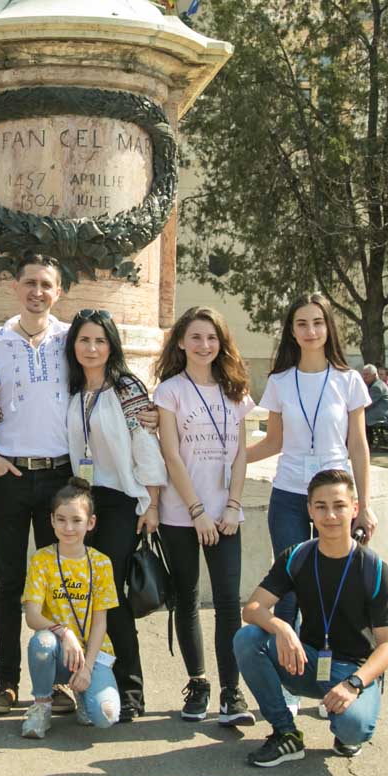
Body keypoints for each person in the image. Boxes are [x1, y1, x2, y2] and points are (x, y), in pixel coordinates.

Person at [234, 468, 388, 766]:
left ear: (355, 509)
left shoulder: (373, 569)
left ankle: (345, 724)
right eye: (321, 506)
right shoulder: (297, 556)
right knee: (248, 638)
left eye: (339, 506)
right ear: (309, 510)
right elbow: (252, 608)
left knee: (354, 728)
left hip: (353, 670)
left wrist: (353, 684)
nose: (330, 515)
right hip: (306, 661)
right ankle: (286, 734)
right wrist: (282, 627)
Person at [245, 293, 375, 631]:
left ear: (328, 328)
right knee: (289, 588)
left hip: (335, 498)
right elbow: (274, 441)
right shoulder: (280, 381)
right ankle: (286, 659)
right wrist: (231, 461)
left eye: (317, 323)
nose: (311, 331)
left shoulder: (348, 380)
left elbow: (358, 446)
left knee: (334, 583)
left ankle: (334, 656)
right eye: (302, 324)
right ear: (292, 331)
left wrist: (364, 506)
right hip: (289, 495)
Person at [0, 255, 72, 716]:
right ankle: (6, 680)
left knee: (58, 583)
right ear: (14, 288)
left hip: (59, 476)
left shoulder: (72, 339)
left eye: (46, 285)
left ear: (59, 292)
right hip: (10, 475)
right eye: (30, 283)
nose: (38, 291)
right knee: (9, 583)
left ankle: (59, 683)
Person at [153, 306, 255, 727]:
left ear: (221, 343)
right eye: (195, 337)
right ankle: (198, 684)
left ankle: (232, 691)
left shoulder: (235, 392)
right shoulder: (170, 391)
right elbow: (171, 454)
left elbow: (241, 454)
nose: (204, 345)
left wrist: (233, 505)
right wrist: (196, 510)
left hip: (225, 516)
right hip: (182, 513)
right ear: (181, 342)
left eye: (212, 337)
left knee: (229, 602)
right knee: (187, 599)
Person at [62, 308, 165, 723]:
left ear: (111, 346)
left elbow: (146, 445)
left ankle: (131, 690)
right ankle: (89, 684)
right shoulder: (73, 388)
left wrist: (151, 503)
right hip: (84, 504)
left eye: (100, 341)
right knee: (85, 596)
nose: (91, 348)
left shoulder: (126, 387)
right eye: (84, 340)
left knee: (112, 596)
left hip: (122, 500)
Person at [19, 479, 122, 738]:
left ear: (91, 523)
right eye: (61, 519)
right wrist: (64, 633)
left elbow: (100, 622)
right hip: (59, 650)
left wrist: (87, 667)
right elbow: (32, 616)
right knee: (42, 643)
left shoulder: (101, 563)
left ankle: (83, 691)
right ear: (52, 521)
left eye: (77, 520)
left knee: (106, 715)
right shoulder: (42, 559)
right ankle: (42, 705)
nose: (68, 528)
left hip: (92, 654)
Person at [362, 364, 388, 432]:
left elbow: (367, 404)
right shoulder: (376, 383)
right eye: (363, 374)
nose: (364, 377)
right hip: (379, 412)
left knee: (356, 418)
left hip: (381, 416)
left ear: (374, 375)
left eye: (367, 374)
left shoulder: (376, 387)